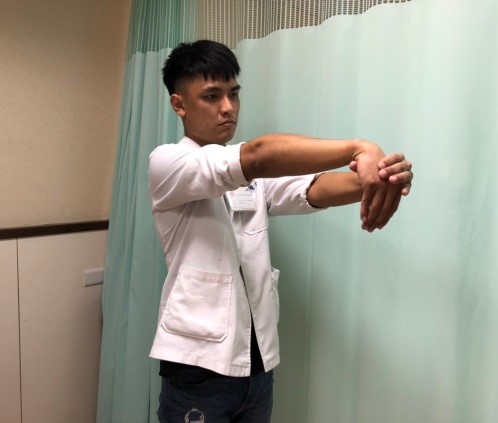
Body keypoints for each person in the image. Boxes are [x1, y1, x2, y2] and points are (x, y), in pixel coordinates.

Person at [148, 39, 413, 422]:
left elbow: (313, 188)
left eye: (234, 93)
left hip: (257, 366)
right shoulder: (168, 163)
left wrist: (381, 176)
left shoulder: (246, 174)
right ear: (179, 104)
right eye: (212, 96)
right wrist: (359, 148)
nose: (228, 107)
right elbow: (259, 156)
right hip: (198, 368)